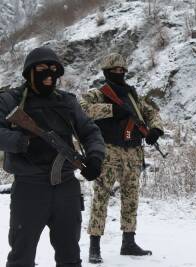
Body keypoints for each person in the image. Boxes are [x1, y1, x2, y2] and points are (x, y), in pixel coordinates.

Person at [0, 47, 105, 267]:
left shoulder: (66, 102)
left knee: (70, 257)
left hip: (66, 187)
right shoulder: (11, 100)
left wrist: (95, 157)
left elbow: (89, 131)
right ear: (29, 72)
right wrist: (22, 142)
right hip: (29, 189)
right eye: (41, 69)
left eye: (54, 69)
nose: (49, 74)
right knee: (21, 257)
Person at [80, 53, 164, 263]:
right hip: (108, 151)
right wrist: (111, 109)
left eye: (122, 70)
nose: (119, 73)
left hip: (133, 151)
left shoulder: (133, 96)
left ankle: (128, 241)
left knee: (131, 198)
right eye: (114, 70)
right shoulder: (98, 93)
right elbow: (82, 110)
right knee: (101, 198)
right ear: (106, 72)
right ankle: (94, 246)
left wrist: (155, 129)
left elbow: (151, 112)